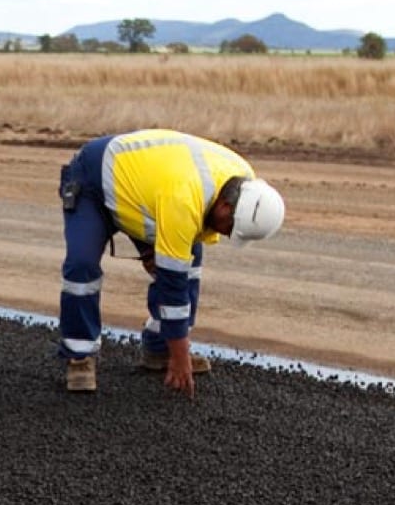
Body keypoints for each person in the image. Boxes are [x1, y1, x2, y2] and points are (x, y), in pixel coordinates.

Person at [56, 128, 285, 397]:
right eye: (229, 227)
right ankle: (79, 355)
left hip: (147, 193)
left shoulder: (244, 181)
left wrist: (177, 350)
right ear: (224, 206)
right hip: (93, 180)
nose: (225, 234)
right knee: (82, 266)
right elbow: (172, 284)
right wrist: (182, 356)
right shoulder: (184, 200)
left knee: (189, 262)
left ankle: (160, 347)